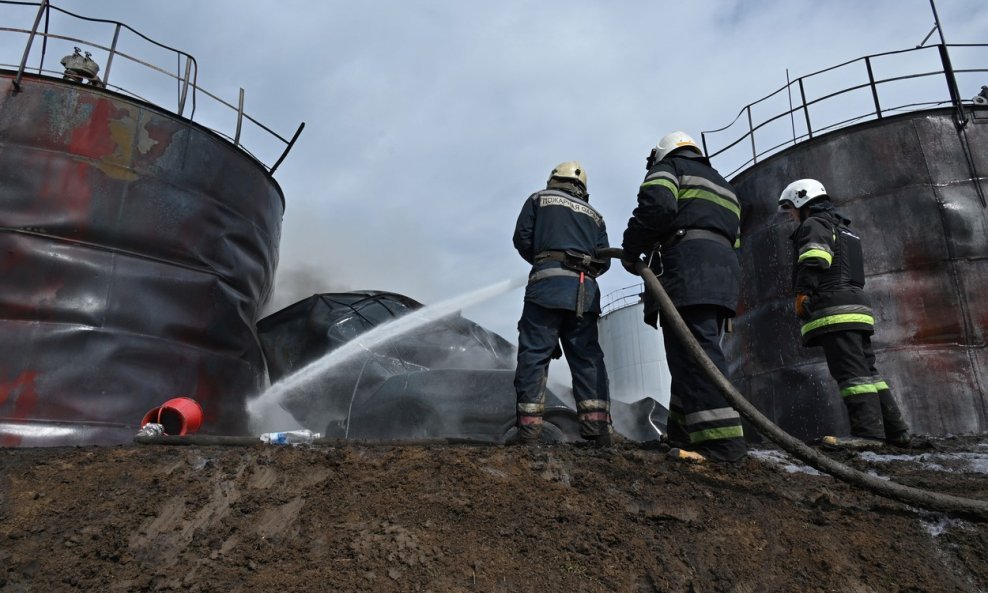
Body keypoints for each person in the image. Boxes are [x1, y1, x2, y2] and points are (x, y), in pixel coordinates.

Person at [620, 131, 746, 463]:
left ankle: (723, 447)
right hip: (723, 275)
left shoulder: (669, 168)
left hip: (688, 271)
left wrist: (632, 250)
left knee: (696, 356)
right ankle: (681, 433)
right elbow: (735, 238)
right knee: (689, 355)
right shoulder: (724, 185)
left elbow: (657, 206)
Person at [778, 179, 911, 448]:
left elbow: (815, 257)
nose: (791, 215)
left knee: (851, 375)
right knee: (867, 372)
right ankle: (897, 432)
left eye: (791, 208)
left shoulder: (814, 225)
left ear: (803, 202)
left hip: (835, 310)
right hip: (857, 308)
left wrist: (803, 293)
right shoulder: (844, 229)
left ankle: (868, 435)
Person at [511, 161, 613, 446]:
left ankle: (530, 432)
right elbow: (603, 260)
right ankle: (598, 431)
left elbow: (522, 239)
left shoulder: (539, 199)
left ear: (553, 180)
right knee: (587, 359)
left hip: (546, 289)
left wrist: (545, 259)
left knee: (534, 356)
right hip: (585, 294)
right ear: (583, 188)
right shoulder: (595, 216)